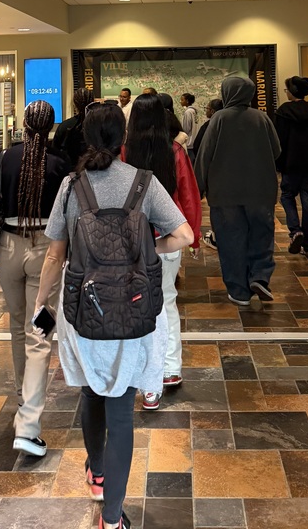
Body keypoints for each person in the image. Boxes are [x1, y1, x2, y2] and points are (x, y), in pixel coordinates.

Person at [35, 103, 193, 529]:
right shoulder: (144, 183)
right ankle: (111, 517)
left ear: (87, 138)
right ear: (123, 138)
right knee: (121, 406)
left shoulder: (72, 186)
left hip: (84, 309)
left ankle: (97, 471)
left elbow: (55, 254)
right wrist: (146, 254)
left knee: (90, 391)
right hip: (133, 308)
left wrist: (40, 305)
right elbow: (184, 235)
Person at [0, 100, 71, 456]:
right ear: (50, 127)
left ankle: (23, 397)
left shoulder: (5, 157)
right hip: (45, 250)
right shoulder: (60, 162)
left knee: (18, 323)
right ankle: (29, 424)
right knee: (40, 333)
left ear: (22, 123)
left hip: (7, 247)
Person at [122, 93, 202, 410]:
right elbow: (189, 195)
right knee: (166, 301)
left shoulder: (124, 153)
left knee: (134, 305)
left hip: (130, 240)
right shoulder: (176, 151)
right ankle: (170, 369)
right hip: (168, 238)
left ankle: (141, 370)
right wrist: (193, 237)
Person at [194, 75, 281, 306]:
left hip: (225, 194)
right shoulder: (262, 118)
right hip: (261, 190)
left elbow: (204, 156)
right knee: (262, 235)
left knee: (231, 239)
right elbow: (276, 150)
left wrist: (198, 188)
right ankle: (260, 276)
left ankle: (239, 290)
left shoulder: (219, 118)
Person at [274, 75, 308, 259]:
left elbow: (279, 141)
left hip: (290, 163)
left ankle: (295, 231)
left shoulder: (282, 112)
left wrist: (279, 163)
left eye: (286, 89)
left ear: (292, 91)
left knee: (287, 196)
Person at [193, 98, 223, 248]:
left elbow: (200, 149)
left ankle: (216, 238)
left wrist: (200, 183)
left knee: (216, 207)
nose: (206, 110)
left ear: (212, 111)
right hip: (234, 177)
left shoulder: (209, 126)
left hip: (214, 173)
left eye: (207, 108)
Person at [53, 88, 93, 168]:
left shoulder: (65, 126)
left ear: (74, 104)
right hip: (96, 171)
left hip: (69, 172)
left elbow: (55, 153)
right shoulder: (99, 125)